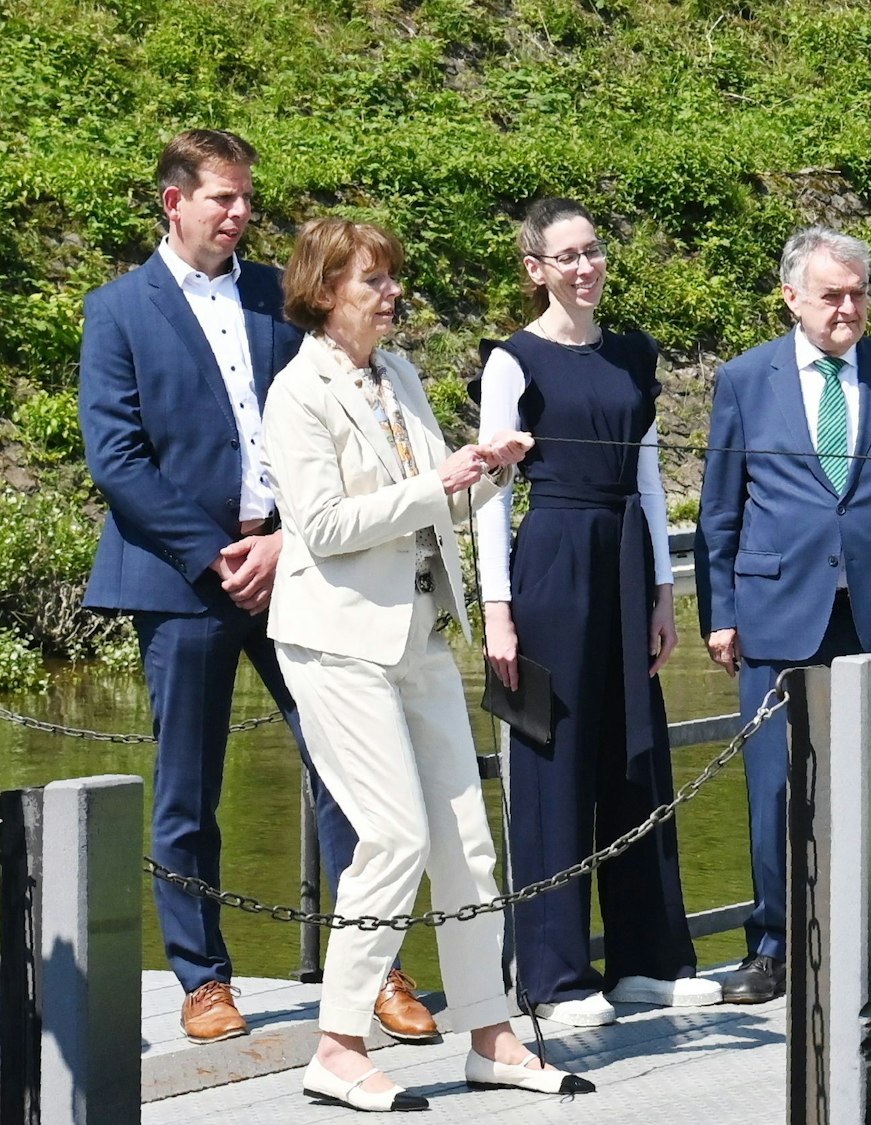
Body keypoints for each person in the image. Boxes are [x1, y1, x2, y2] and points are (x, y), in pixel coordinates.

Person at [77, 129, 436, 1045]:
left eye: (245, 198)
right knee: (187, 791)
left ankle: (374, 965)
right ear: (175, 202)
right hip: (182, 583)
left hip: (299, 567)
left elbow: (330, 416)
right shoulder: (116, 310)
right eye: (222, 198)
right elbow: (117, 459)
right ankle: (203, 980)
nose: (239, 213)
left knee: (349, 768)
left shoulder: (282, 298)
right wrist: (216, 553)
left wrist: (281, 541)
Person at [262, 216, 588, 1110]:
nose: (392, 292)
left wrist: (489, 469)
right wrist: (437, 482)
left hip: (419, 630)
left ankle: (490, 1034)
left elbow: (435, 497)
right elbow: (324, 526)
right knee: (395, 836)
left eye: (391, 277)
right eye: (373, 280)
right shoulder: (297, 393)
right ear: (325, 291)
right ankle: (337, 1046)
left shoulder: (397, 372)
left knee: (466, 841)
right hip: (336, 641)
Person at [474, 198, 719, 1026]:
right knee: (552, 758)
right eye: (567, 256)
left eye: (594, 251)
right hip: (551, 558)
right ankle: (552, 974)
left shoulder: (631, 354)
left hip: (624, 554)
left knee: (636, 753)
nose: (586, 268)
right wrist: (498, 611)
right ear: (536, 269)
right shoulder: (513, 362)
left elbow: (647, 475)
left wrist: (663, 590)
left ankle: (649, 958)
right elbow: (490, 497)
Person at [697, 226, 871, 1004]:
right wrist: (720, 612)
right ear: (792, 298)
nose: (847, 309)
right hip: (775, 611)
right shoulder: (746, 380)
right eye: (831, 295)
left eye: (857, 294)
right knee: (775, 787)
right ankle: (773, 946)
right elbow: (719, 511)